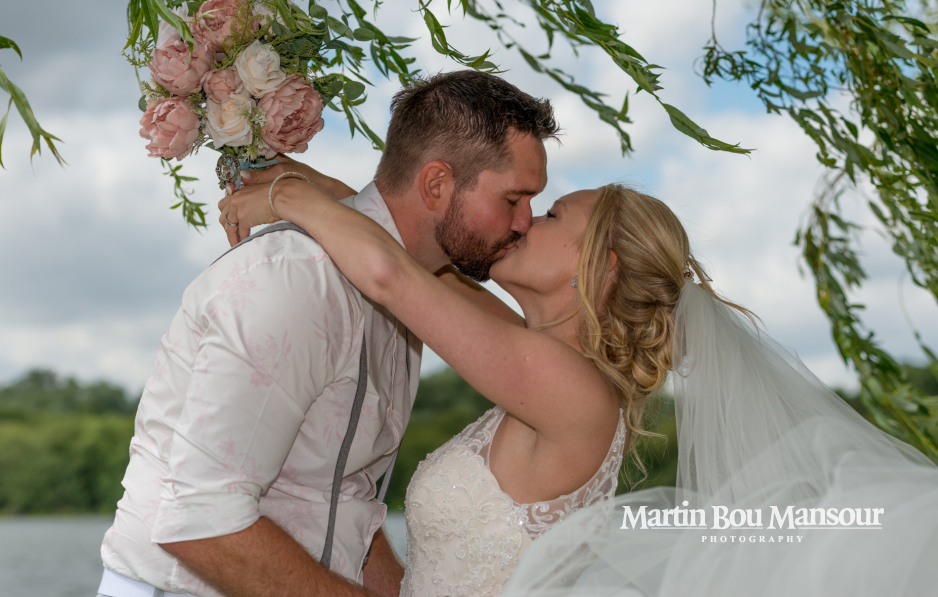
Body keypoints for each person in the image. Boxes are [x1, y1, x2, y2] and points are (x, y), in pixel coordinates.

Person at [222, 175, 938, 596]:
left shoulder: (573, 391)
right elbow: (424, 264)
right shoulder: (538, 363)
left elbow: (389, 275)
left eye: (554, 214)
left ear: (602, 265)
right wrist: (321, 183)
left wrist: (288, 197)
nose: (523, 218)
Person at [97, 70, 558, 597]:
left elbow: (343, 502)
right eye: (512, 199)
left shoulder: (411, 296)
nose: (525, 221)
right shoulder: (296, 280)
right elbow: (200, 522)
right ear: (436, 184)